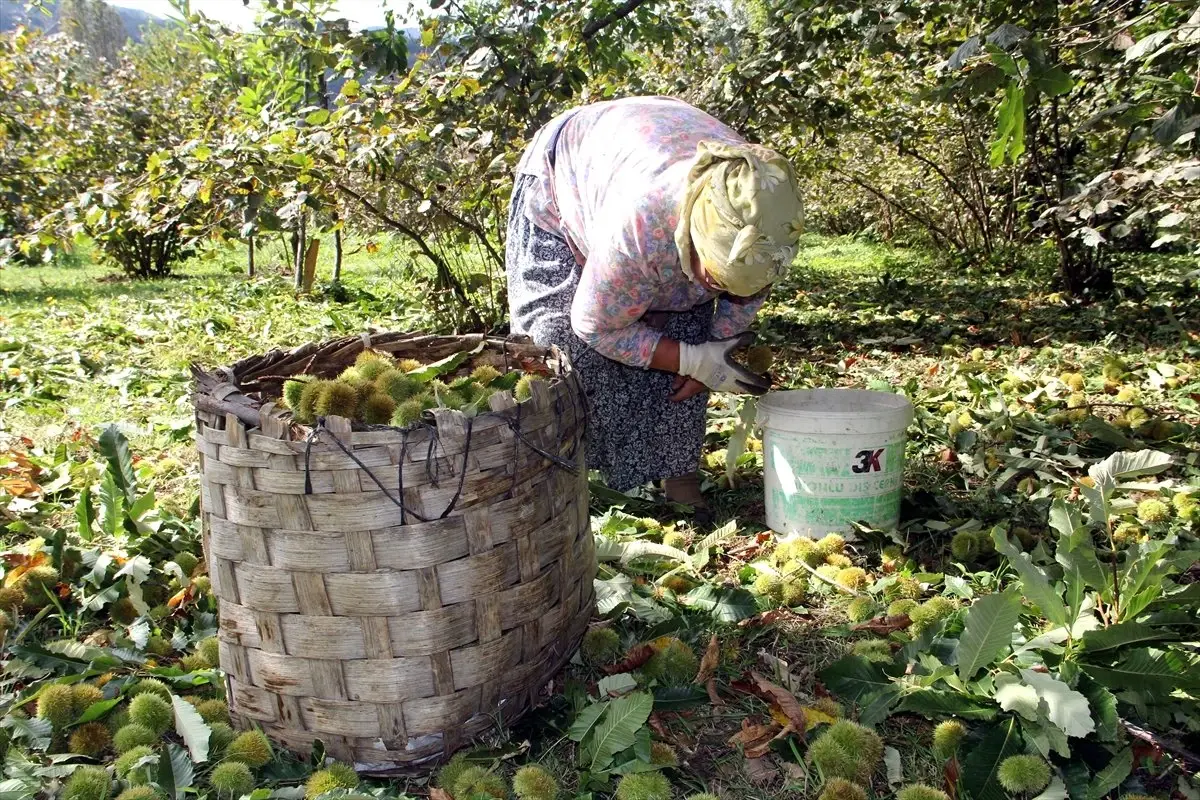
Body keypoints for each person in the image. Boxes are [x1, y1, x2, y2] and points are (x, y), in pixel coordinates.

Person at [505, 95, 804, 512]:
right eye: (715, 276)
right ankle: (576, 484)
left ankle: (678, 481)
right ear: (695, 235)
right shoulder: (641, 226)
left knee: (687, 328)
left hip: (649, 164)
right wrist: (691, 360)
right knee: (557, 344)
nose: (719, 288)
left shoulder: (769, 229)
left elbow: (736, 309)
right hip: (569, 171)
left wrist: (714, 356)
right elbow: (595, 325)